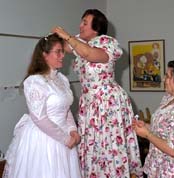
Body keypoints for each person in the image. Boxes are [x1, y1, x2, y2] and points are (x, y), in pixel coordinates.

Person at [52, 9, 143, 178]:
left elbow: (89, 53)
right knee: (94, 148)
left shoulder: (107, 43)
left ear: (96, 28)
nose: (80, 25)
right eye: (81, 21)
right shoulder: (79, 43)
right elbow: (62, 46)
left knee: (109, 146)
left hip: (107, 102)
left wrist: (67, 36)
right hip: (89, 104)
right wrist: (50, 40)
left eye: (85, 23)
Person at [3, 33, 82, 178]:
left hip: (65, 137)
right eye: (58, 51)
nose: (63, 55)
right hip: (43, 139)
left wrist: (72, 130)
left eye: (62, 51)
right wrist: (65, 139)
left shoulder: (62, 79)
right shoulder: (34, 82)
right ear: (45, 55)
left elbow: (66, 109)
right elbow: (40, 118)